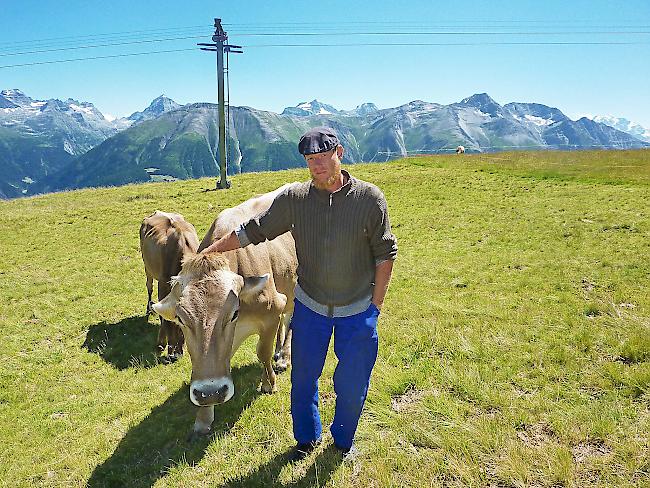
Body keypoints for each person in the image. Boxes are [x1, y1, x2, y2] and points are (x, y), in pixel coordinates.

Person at [202, 126, 398, 461]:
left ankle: (343, 441)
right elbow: (252, 231)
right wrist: (209, 254)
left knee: (351, 387)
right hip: (310, 308)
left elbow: (385, 253)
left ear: (340, 154)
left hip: (357, 311)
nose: (317, 165)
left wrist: (375, 307)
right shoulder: (295, 199)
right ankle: (306, 439)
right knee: (303, 381)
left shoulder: (369, 198)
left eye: (324, 157)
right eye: (311, 159)